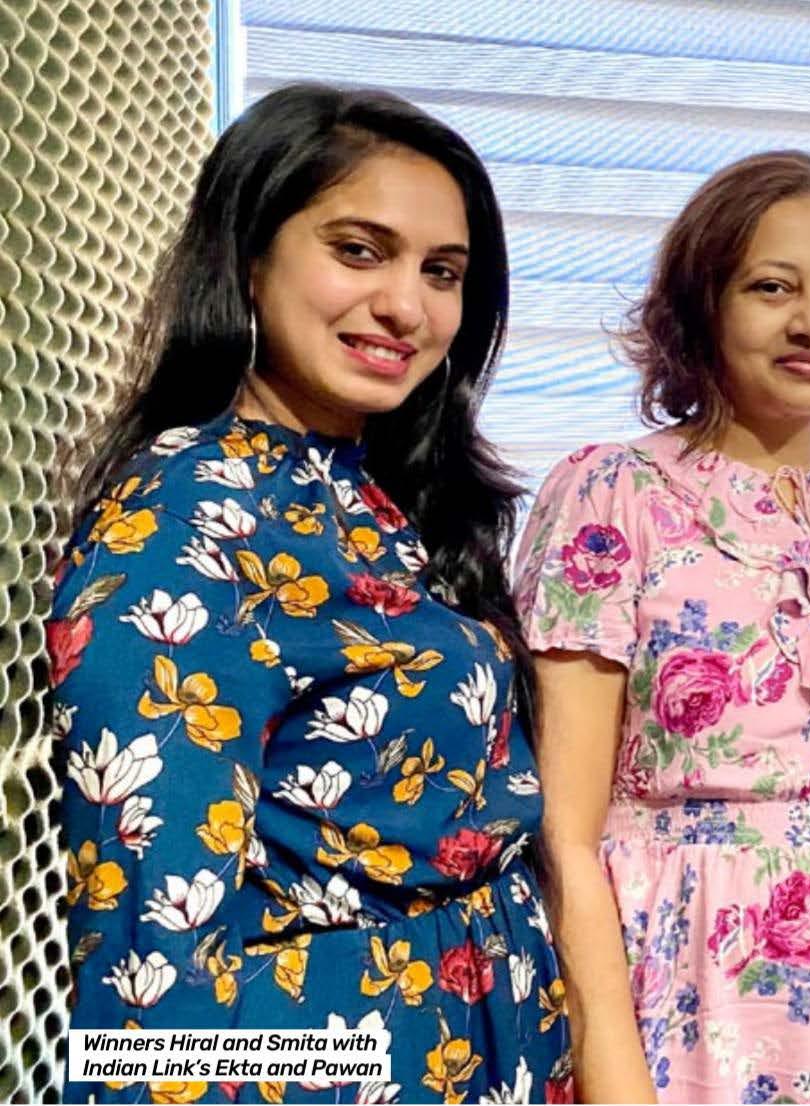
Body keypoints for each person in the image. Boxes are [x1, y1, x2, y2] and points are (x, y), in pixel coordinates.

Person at [50, 83, 572, 1102]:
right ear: (250, 253)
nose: (407, 307)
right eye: (360, 251)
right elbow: (153, 930)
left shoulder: (380, 493)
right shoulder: (190, 514)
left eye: (442, 271)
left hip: (491, 1033)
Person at [514, 150, 810, 1103]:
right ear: (702, 304)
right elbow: (562, 833)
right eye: (771, 287)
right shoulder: (612, 493)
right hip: (687, 992)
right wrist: (614, 1078)